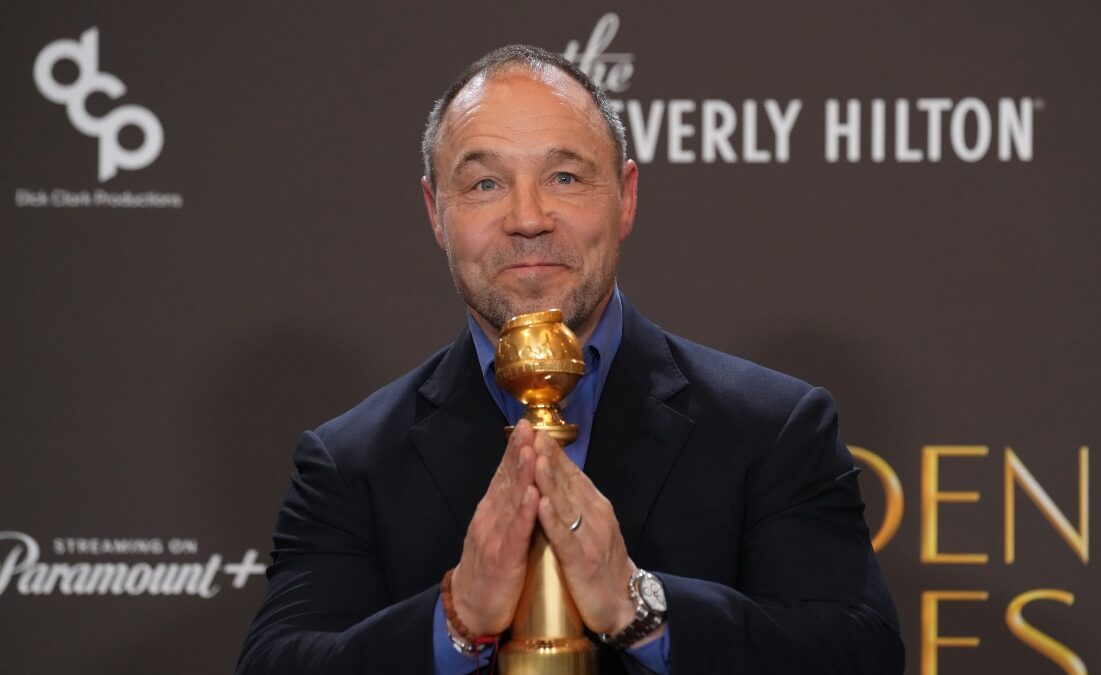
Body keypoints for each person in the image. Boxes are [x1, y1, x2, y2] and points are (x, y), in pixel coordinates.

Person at [237, 45, 903, 674]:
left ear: (626, 198)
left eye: (564, 176)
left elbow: (858, 654)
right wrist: (458, 616)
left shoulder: (774, 427)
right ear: (436, 214)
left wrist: (638, 606)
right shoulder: (349, 462)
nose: (528, 217)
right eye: (486, 182)